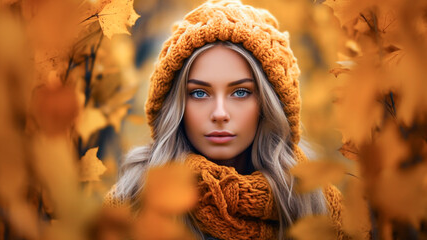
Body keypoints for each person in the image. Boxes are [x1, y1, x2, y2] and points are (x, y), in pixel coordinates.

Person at [104, 0, 345, 239]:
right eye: (199, 93)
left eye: (240, 92)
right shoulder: (133, 201)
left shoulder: (319, 206)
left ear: (270, 104)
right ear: (176, 105)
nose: (219, 113)